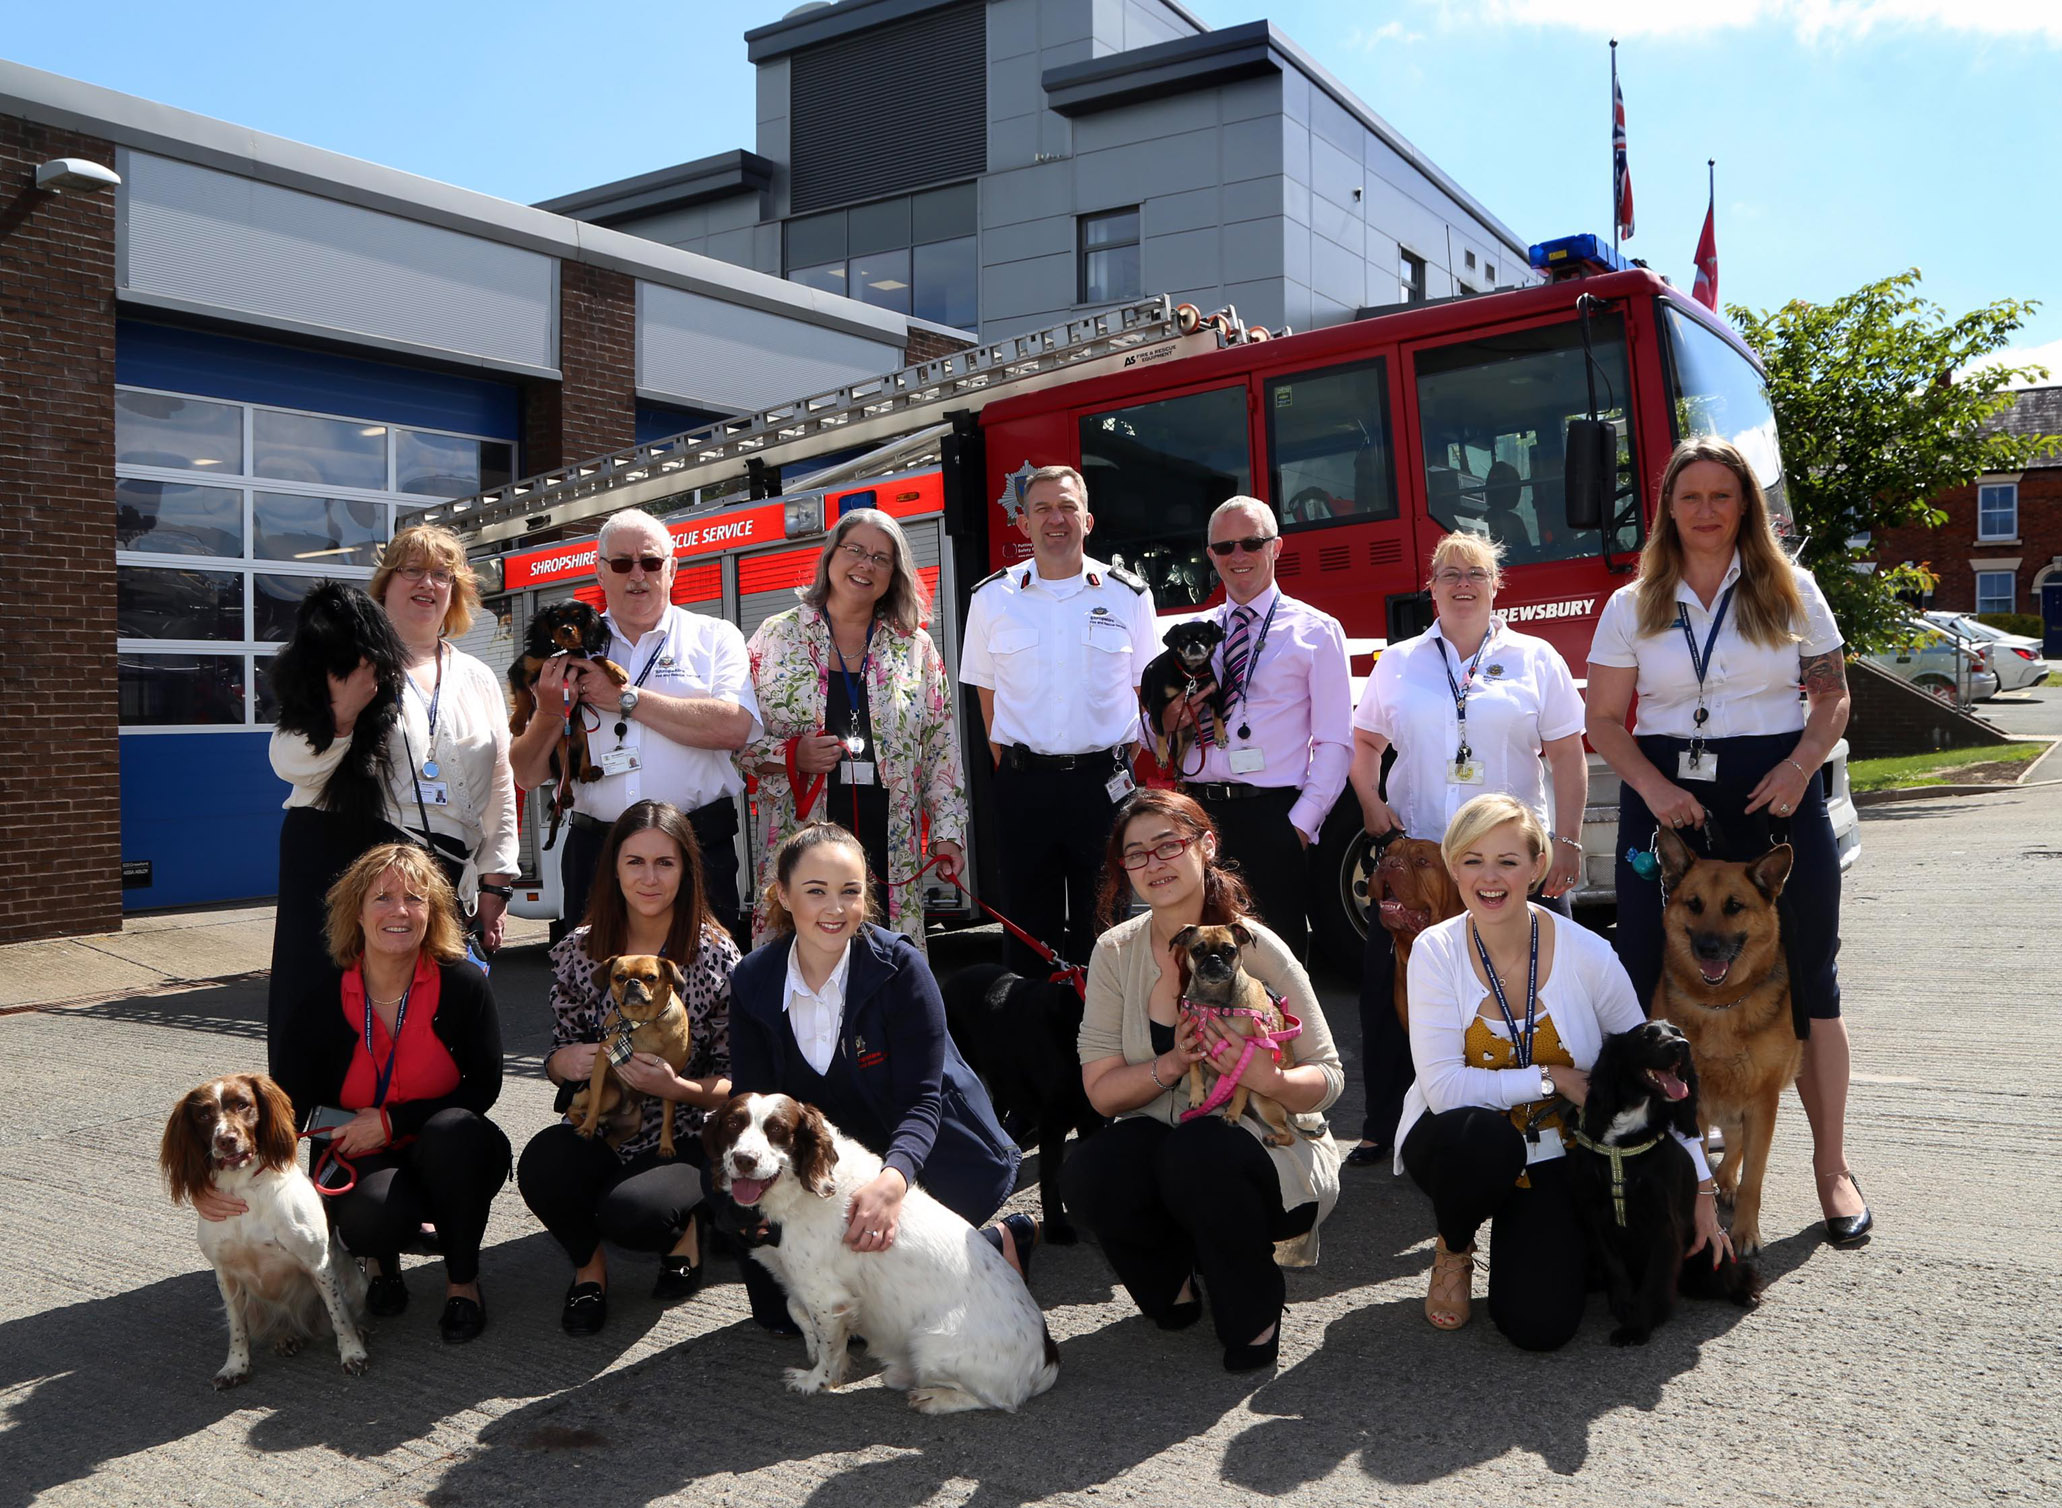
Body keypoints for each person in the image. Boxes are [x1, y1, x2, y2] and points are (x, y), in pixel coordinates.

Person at [1586, 435, 1868, 1244]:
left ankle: (1831, 1170)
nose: (1706, 511)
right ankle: (1666, 1169)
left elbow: (1832, 699)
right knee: (1647, 967)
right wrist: (1653, 786)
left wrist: (1801, 767)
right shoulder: (1632, 601)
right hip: (1666, 788)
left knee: (1810, 976)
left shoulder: (1792, 587)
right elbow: (1605, 720)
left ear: (1745, 505)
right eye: (1690, 497)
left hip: (1775, 783)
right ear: (1667, 510)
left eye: (1722, 495)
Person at [1399, 793, 1729, 1348]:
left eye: (1508, 860)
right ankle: (1454, 1246)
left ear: (1536, 867)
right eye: (1473, 859)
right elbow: (1444, 1088)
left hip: (1558, 1152)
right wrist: (1552, 1079)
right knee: (1480, 1140)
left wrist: (1701, 1187)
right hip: (1461, 1143)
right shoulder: (1434, 951)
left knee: (1540, 1326)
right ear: (1454, 866)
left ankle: (1535, 1239)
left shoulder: (1589, 952)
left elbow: (1658, 1069)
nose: (1490, 877)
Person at [1061, 789, 1345, 1373]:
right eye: (1135, 854)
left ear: (1206, 845)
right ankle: (1174, 1283)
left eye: (1168, 844)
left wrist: (1272, 1076)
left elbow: (1330, 1076)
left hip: (1262, 1145)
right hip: (1170, 1143)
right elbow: (1100, 1091)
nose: (1153, 863)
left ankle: (1254, 1308)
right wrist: (1168, 1065)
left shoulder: (1253, 945)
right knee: (1090, 1169)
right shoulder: (1114, 953)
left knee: (1200, 1152)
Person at [725, 822, 1032, 1332]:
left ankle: (995, 1244)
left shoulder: (901, 969)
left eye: (851, 892)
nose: (835, 908)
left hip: (924, 1156)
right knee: (782, 1318)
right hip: (830, 1162)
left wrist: (892, 1186)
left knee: (877, 1313)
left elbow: (922, 1101)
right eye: (815, 891)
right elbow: (751, 1102)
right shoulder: (754, 979)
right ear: (783, 894)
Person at [1346, 531, 1588, 1169]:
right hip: (1424, 861)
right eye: (1448, 573)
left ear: (1495, 585)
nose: (1462, 584)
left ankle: (1555, 1112)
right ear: (1430, 586)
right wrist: (1371, 804)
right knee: (1389, 991)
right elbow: (1365, 743)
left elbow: (1566, 754)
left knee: (1547, 984)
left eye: (1475, 573)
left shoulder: (1537, 657)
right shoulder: (1398, 661)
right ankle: (1383, 1123)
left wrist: (1565, 841)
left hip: (1512, 859)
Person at [248, 842, 510, 1344]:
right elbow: (289, 1104)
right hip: (358, 1157)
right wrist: (241, 1174)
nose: (399, 911)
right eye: (383, 898)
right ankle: (379, 1263)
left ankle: (463, 1282)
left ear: (431, 913)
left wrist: (392, 1122)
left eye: (414, 898)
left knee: (456, 1134)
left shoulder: (462, 985)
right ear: (358, 913)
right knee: (369, 1216)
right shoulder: (321, 998)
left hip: (448, 1149)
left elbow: (483, 1086)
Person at [516, 801, 739, 1335]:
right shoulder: (579, 950)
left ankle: (686, 1227)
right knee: (541, 1166)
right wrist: (558, 1062)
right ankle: (589, 1270)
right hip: (606, 1116)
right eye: (635, 861)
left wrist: (678, 1086)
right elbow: (562, 1046)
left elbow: (737, 1081)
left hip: (684, 1127)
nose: (649, 877)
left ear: (687, 871)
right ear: (613, 868)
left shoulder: (714, 954)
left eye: (665, 863)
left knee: (636, 1216)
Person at [511, 507, 761, 946]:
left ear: (673, 569)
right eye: (622, 563)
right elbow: (527, 774)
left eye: (651, 562)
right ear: (600, 572)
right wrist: (550, 711)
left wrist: (626, 699)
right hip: (597, 854)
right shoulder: (567, 646)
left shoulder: (715, 636)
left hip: (697, 848)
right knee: (594, 999)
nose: (637, 576)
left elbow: (734, 728)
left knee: (706, 996)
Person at [959, 464, 1157, 974]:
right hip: (1025, 787)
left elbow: (1143, 694)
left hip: (1104, 787)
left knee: (1108, 927)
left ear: (1087, 520)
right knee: (1027, 930)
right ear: (1023, 524)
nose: (1056, 519)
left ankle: (1109, 1048)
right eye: (1042, 508)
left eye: (1068, 506)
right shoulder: (990, 599)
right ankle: (1032, 1049)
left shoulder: (1129, 595)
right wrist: (1015, 766)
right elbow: (988, 697)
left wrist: (1110, 761)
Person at [743, 508, 967, 949]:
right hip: (801, 839)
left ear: (894, 574)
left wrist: (947, 834)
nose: (866, 565)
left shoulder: (914, 646)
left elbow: (942, 749)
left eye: (882, 558)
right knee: (801, 967)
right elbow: (734, 740)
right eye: (856, 551)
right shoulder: (776, 636)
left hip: (890, 844)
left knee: (885, 970)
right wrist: (790, 755)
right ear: (831, 557)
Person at [1155, 497, 1351, 964]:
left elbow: (1336, 743)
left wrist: (1299, 827)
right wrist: (1165, 721)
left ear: (1277, 547)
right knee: (1199, 971)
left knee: (1274, 971)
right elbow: (1151, 733)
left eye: (1252, 542)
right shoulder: (1193, 634)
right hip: (1198, 819)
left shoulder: (1317, 631)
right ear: (1210, 555)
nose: (1238, 555)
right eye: (1224, 546)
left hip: (1273, 818)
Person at [369, 523, 518, 948]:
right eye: (412, 569)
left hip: (454, 875)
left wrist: (496, 884)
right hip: (374, 872)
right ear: (386, 584)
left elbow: (500, 786)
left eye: (442, 574)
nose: (427, 583)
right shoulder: (359, 666)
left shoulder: (479, 677)